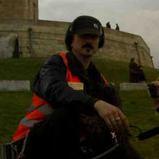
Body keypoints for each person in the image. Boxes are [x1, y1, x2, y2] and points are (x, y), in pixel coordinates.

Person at [12, 16, 142, 159]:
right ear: (72, 41)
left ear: (99, 43)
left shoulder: (100, 80)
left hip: (74, 143)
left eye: (93, 37)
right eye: (83, 36)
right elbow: (55, 89)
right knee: (67, 113)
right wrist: (95, 103)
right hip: (32, 140)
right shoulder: (55, 63)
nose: (89, 41)